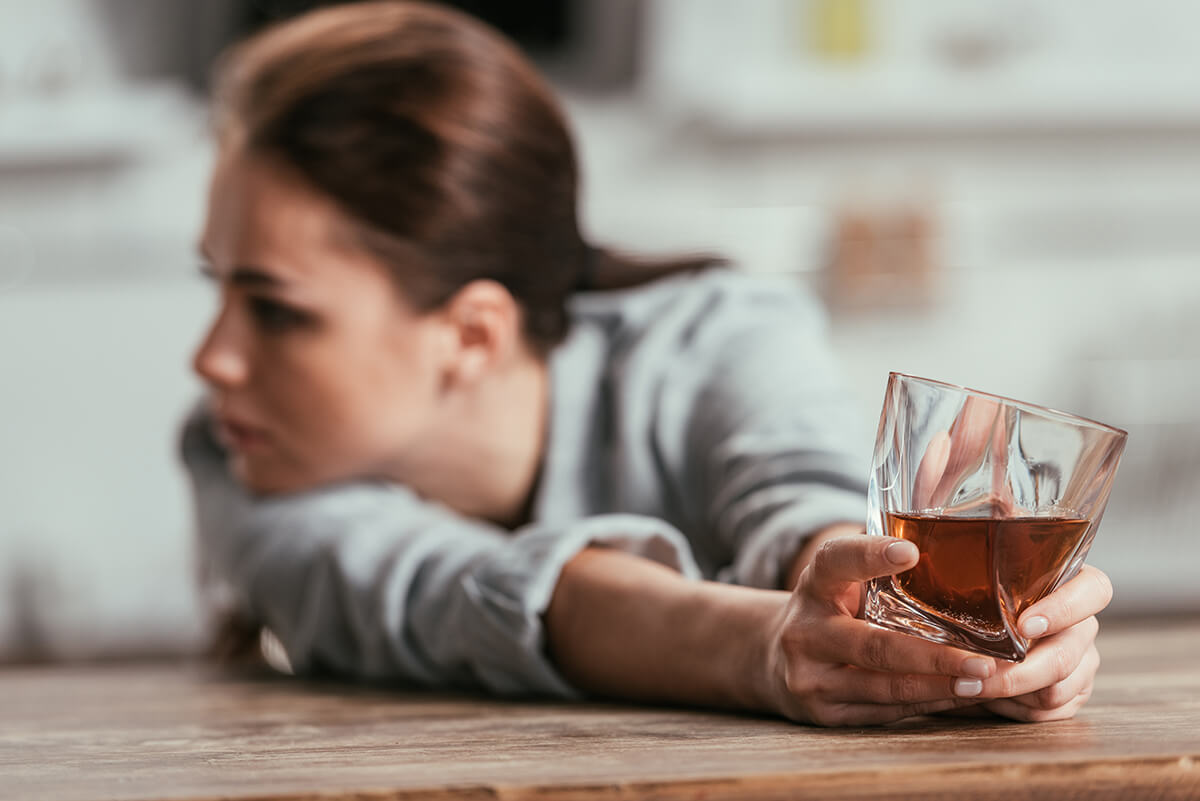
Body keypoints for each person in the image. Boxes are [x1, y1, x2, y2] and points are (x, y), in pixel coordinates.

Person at [180, 1, 1112, 727]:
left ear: (471, 333)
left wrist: (896, 621)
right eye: (217, 289)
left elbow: (803, 501)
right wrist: (766, 649)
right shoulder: (236, 455)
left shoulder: (716, 333)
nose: (212, 357)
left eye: (272, 309)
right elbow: (447, 591)